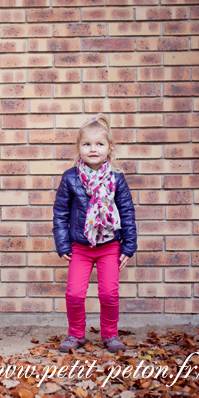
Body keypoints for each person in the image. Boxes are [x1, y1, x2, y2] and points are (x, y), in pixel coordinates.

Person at [52, 115, 137, 353]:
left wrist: (128, 247)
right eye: (87, 144)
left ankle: (110, 335)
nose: (93, 149)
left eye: (99, 144)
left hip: (110, 245)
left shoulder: (117, 178)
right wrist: (62, 244)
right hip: (80, 246)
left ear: (110, 148)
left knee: (109, 293)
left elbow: (127, 212)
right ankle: (76, 335)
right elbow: (60, 213)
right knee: (75, 294)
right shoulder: (70, 177)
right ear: (79, 147)